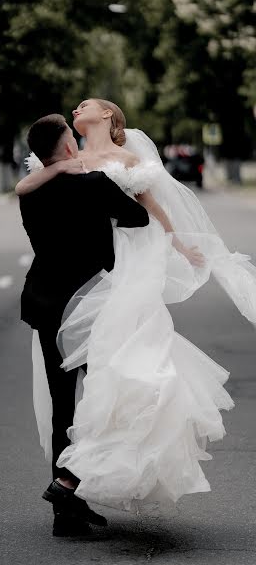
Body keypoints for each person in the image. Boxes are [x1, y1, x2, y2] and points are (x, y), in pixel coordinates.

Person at [17, 98, 256, 512]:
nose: (77, 109)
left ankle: (68, 497)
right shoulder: (74, 177)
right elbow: (135, 215)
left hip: (59, 293)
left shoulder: (57, 179)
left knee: (76, 401)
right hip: (91, 289)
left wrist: (177, 240)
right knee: (112, 389)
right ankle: (74, 481)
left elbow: (151, 204)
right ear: (68, 148)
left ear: (107, 116)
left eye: (85, 105)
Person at [18, 113, 149, 535]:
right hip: (90, 308)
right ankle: (67, 486)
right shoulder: (94, 186)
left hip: (45, 304)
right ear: (71, 148)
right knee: (103, 403)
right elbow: (138, 218)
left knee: (63, 408)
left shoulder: (31, 195)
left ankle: (67, 510)